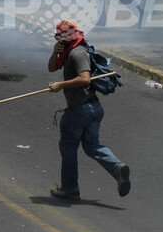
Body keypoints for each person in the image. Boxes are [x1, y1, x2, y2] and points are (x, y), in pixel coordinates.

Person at [47, 20, 130, 200]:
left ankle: (69, 188)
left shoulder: (77, 53)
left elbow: (85, 79)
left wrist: (61, 84)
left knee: (68, 148)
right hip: (93, 108)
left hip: (79, 110)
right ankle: (117, 168)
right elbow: (52, 67)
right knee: (92, 146)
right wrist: (55, 51)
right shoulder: (70, 50)